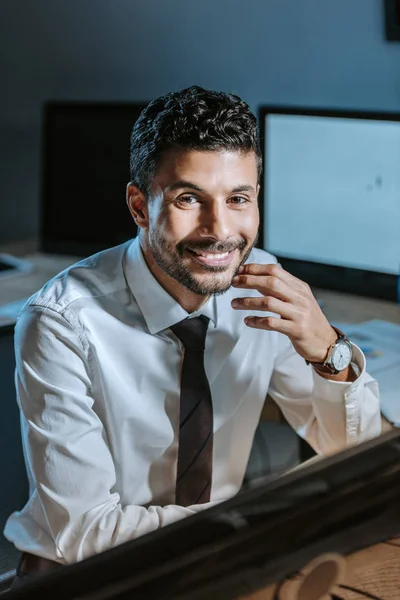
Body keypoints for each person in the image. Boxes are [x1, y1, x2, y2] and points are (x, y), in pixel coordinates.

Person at [4, 86, 381, 582]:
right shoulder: (60, 323)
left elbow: (354, 456)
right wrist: (252, 526)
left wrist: (328, 354)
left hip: (217, 558)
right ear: (139, 206)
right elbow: (83, 530)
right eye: (188, 198)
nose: (219, 230)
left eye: (238, 198)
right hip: (86, 574)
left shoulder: (263, 284)